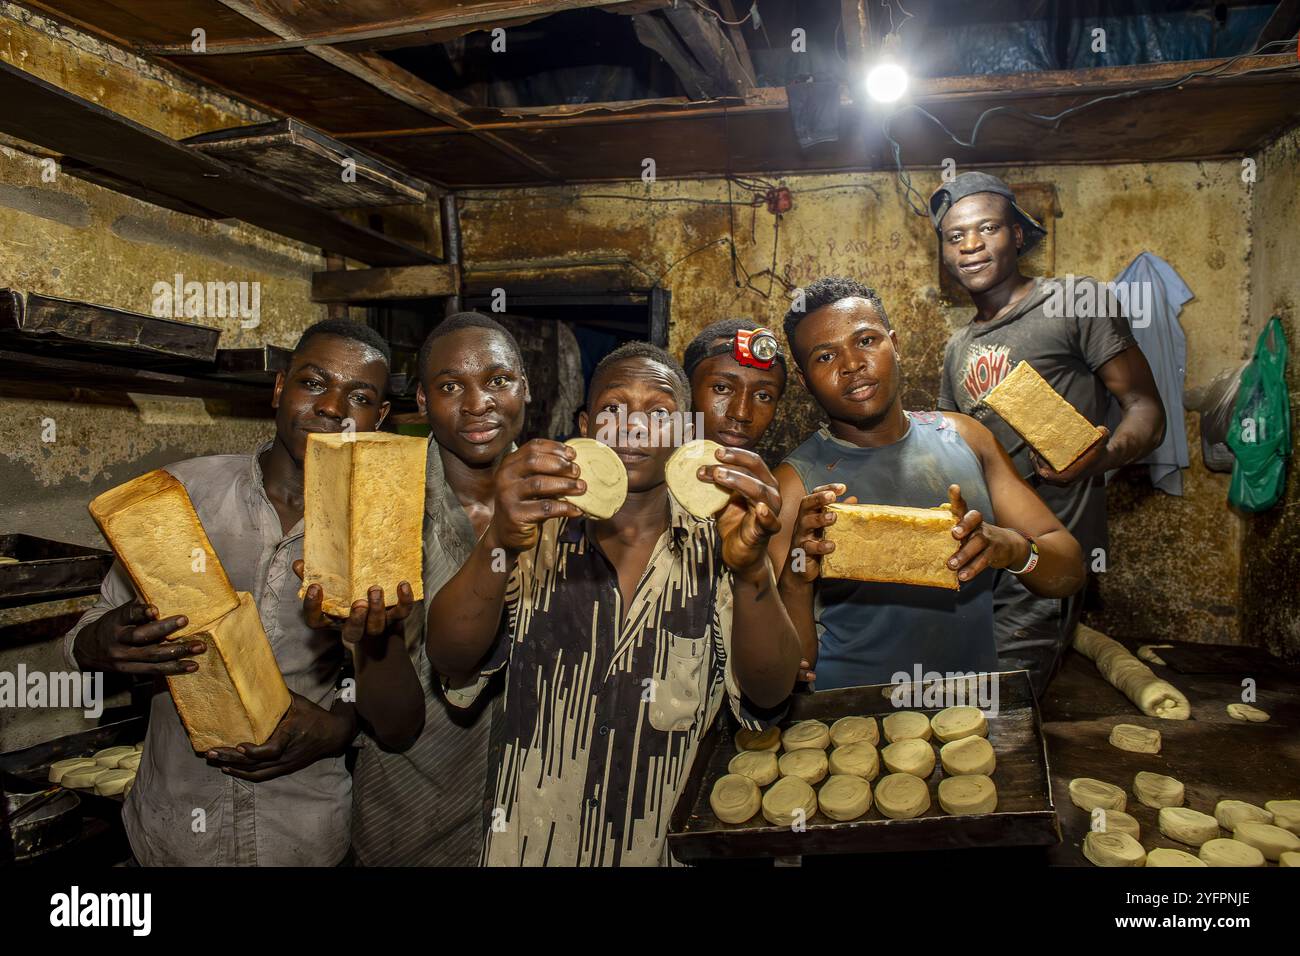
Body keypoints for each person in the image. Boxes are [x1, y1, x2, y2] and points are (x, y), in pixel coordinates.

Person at [426, 341, 802, 866]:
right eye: (613, 409)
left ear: (687, 433)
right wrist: (497, 542)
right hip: (529, 849)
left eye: (659, 412)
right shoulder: (534, 531)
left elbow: (768, 693)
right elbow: (450, 659)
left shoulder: (723, 541)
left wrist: (752, 568)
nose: (634, 425)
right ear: (585, 429)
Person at [64, 319, 415, 866]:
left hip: (302, 833)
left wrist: (339, 726)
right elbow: (85, 637)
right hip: (172, 830)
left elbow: (395, 691)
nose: (331, 408)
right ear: (280, 389)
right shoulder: (180, 498)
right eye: (314, 382)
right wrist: (100, 643)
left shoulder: (384, 530)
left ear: (379, 418)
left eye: (360, 396)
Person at [770, 276, 1084, 691]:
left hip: (971, 711)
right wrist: (795, 578)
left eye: (865, 341)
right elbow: (785, 670)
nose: (851, 365)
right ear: (805, 379)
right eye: (825, 357)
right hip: (850, 718)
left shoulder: (967, 438)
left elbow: (1070, 569)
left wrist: (1009, 548)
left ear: (895, 344)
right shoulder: (795, 485)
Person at [932, 172, 1165, 694]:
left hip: (1047, 557)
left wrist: (1100, 457)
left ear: (1017, 234)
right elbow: (953, 455)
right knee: (956, 702)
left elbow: (1146, 409)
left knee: (1000, 702)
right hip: (979, 553)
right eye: (955, 236)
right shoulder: (956, 348)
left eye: (986, 227)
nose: (970, 246)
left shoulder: (1075, 301)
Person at [350, 312, 528, 866]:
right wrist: (370, 643)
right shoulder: (380, 504)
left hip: (534, 815)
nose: (478, 404)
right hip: (413, 815)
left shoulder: (564, 498)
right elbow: (390, 721)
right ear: (423, 403)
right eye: (452, 386)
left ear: (527, 388)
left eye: (498, 380)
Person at [683, 318, 788, 452]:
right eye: (721, 388)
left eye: (763, 396)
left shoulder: (773, 473)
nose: (741, 414)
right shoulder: (651, 471)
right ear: (685, 390)